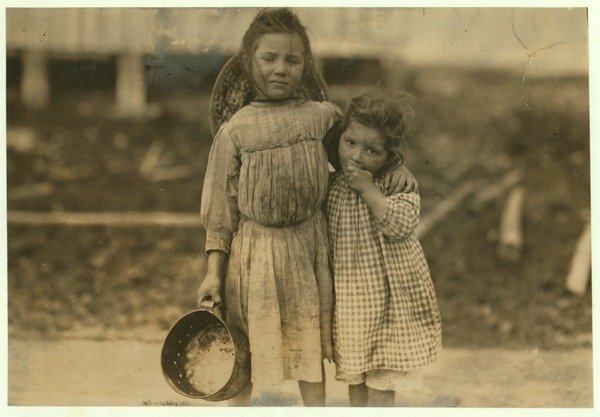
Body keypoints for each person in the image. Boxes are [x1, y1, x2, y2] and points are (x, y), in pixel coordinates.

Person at [197, 8, 417, 406]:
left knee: (309, 350)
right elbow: (219, 212)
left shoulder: (324, 119)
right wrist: (213, 273)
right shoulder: (235, 131)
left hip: (311, 249)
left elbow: (363, 154)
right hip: (254, 256)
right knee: (241, 352)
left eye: (293, 60)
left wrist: (400, 170)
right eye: (269, 58)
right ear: (249, 62)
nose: (280, 69)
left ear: (306, 66)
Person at [325, 90, 442, 407]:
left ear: (390, 156)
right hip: (351, 302)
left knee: (382, 377)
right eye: (350, 143)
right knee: (356, 372)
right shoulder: (332, 186)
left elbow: (400, 226)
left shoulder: (395, 186)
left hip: (389, 300)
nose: (356, 157)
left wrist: (368, 189)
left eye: (371, 150)